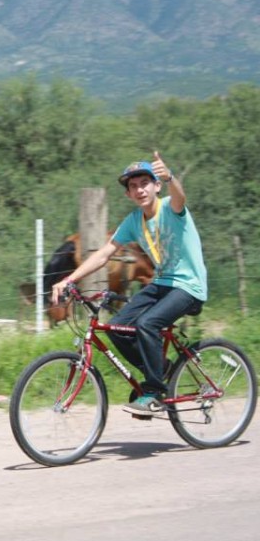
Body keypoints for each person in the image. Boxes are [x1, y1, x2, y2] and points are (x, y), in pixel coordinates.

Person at [51, 151, 207, 415]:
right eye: (133, 186)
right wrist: (68, 279)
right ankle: (160, 369)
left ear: (157, 186)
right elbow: (103, 254)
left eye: (144, 183)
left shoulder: (171, 208)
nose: (139, 189)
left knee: (147, 324)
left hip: (189, 286)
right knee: (116, 326)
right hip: (163, 284)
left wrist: (171, 177)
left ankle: (154, 392)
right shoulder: (134, 222)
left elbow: (181, 197)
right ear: (128, 194)